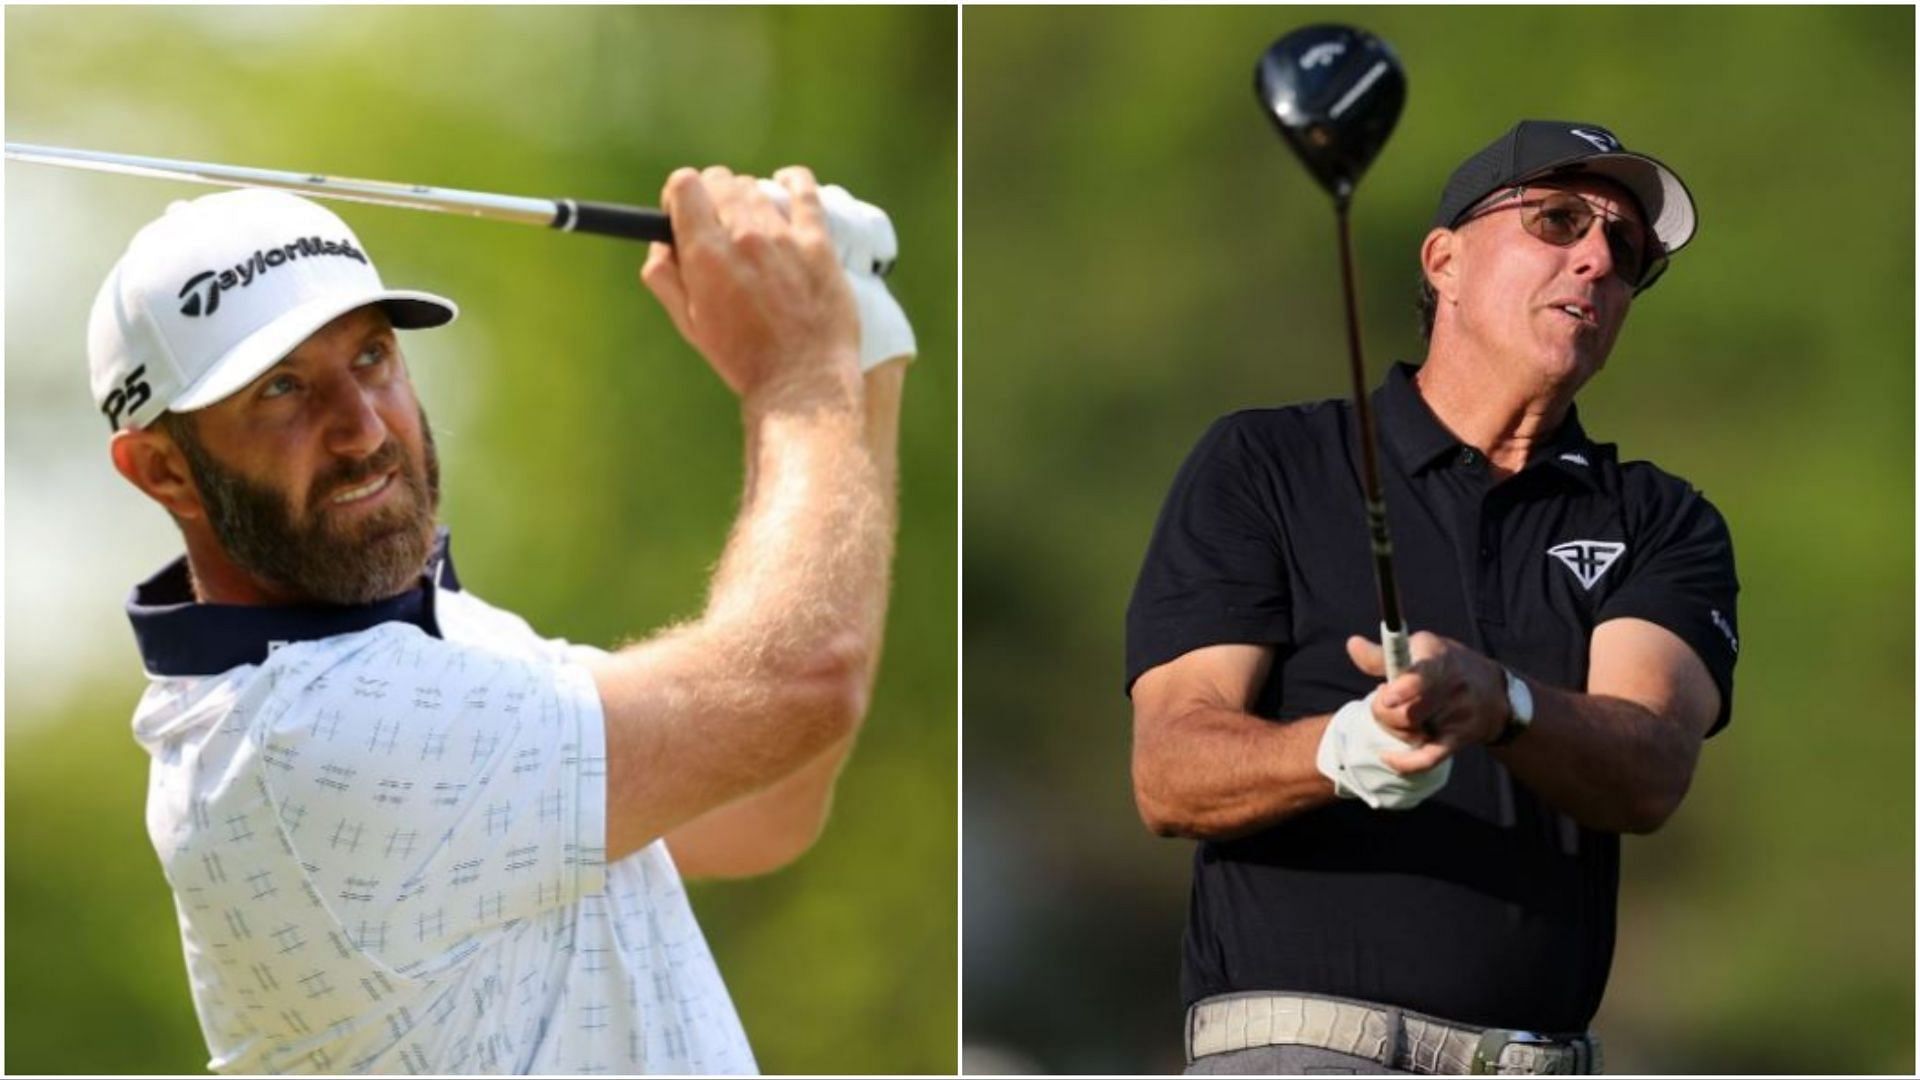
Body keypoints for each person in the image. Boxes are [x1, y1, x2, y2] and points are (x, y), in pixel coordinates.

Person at [98, 165, 912, 1074]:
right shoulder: (302, 736)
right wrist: (803, 371)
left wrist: (858, 349)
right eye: (281, 391)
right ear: (162, 470)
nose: (362, 428)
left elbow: (762, 802)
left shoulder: (429, 641)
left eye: (370, 356)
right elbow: (799, 683)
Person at [1126, 121, 1739, 1075]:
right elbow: (1169, 768)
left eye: (1626, 250)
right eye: (1560, 218)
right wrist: (1341, 747)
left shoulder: (1661, 518)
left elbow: (1650, 765)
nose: (1595, 260)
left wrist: (1505, 705)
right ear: (1445, 259)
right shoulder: (1267, 463)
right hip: (1303, 1048)